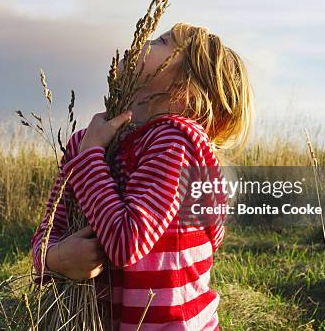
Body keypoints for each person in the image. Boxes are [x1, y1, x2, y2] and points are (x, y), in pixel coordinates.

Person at [31, 22, 254, 330]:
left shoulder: (176, 140)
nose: (143, 41)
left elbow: (126, 243)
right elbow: (46, 235)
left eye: (161, 40)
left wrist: (90, 155)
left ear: (186, 90)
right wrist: (55, 259)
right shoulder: (84, 143)